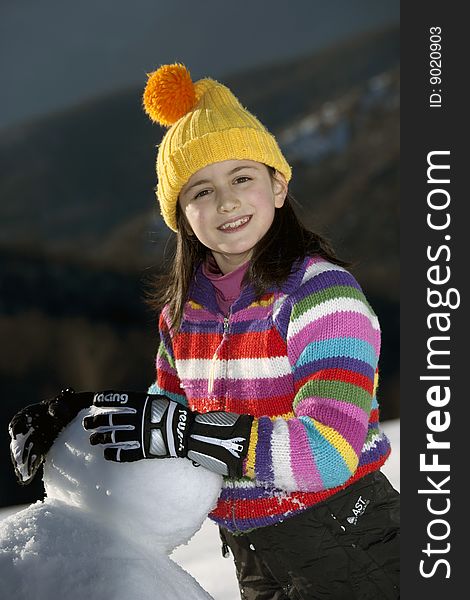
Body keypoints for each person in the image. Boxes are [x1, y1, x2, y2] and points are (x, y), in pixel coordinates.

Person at [9, 63, 399, 599]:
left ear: (278, 184)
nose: (227, 202)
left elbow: (330, 451)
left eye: (242, 177)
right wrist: (80, 424)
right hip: (256, 555)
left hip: (352, 540)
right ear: (180, 215)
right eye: (201, 191)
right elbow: (165, 423)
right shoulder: (184, 314)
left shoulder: (321, 296)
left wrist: (194, 434)